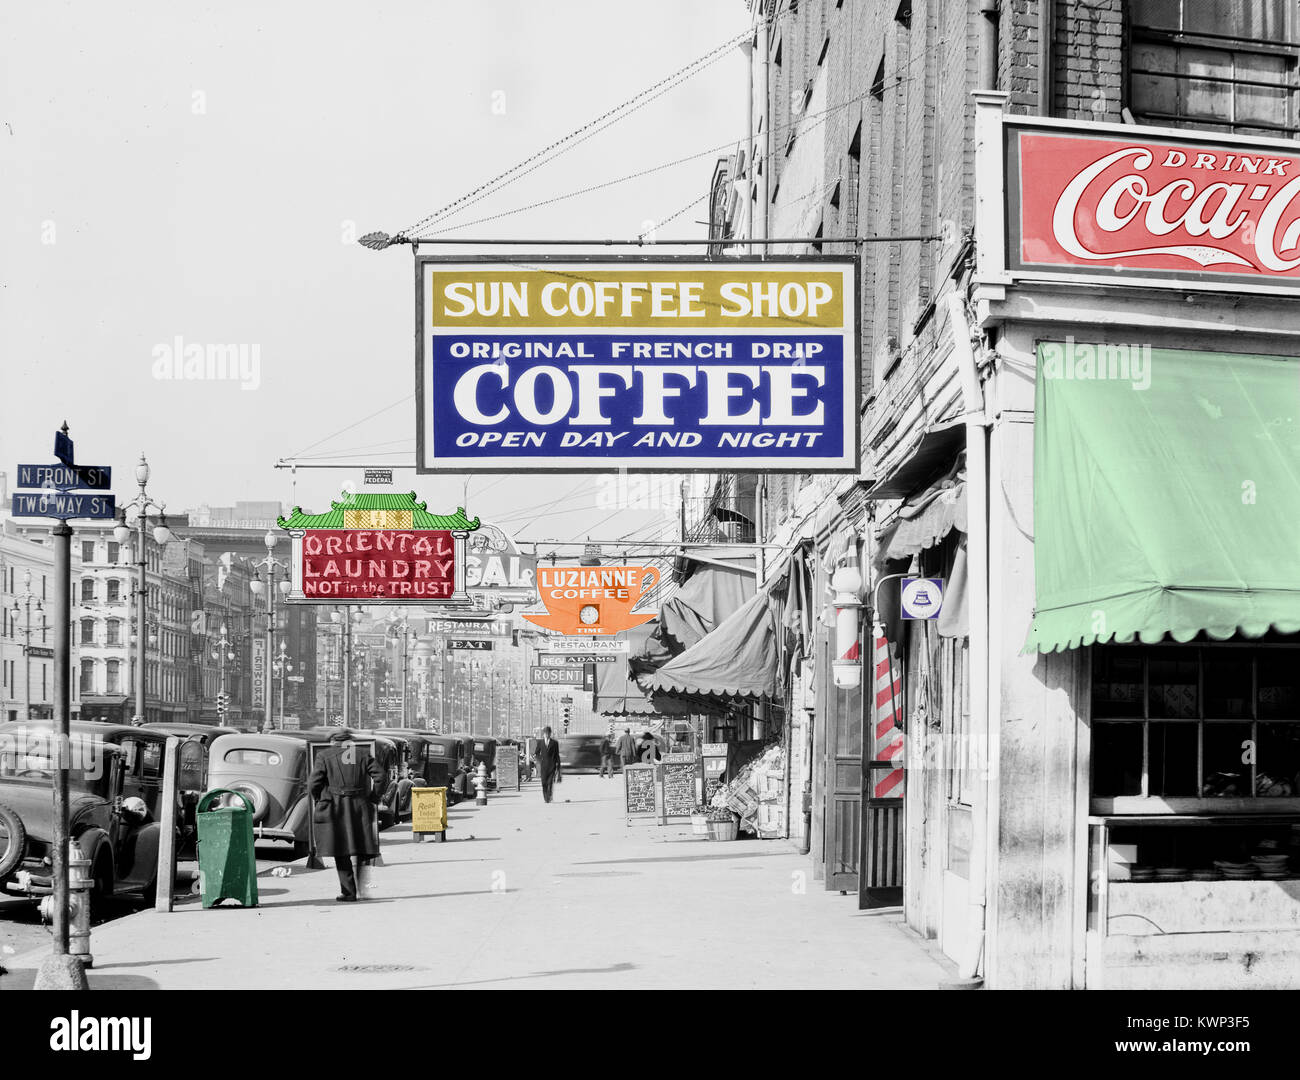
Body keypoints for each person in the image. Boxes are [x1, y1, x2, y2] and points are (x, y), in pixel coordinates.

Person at [309, 729, 385, 902]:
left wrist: (319, 798)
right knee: (363, 848)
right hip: (360, 807)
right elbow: (381, 776)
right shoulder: (363, 754)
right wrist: (374, 797)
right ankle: (363, 889)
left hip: (336, 808)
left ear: (333, 741)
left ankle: (349, 892)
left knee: (340, 848)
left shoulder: (324, 755)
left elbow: (314, 783)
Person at [534, 726, 561, 803]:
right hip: (543, 766)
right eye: (545, 733)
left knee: (550, 782)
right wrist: (539, 760)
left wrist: (558, 766)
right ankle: (546, 797)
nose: (546, 734)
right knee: (544, 783)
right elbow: (536, 753)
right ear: (543, 734)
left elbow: (557, 755)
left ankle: (549, 796)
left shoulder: (554, 743)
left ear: (550, 733)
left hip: (552, 766)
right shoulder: (540, 742)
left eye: (548, 733)